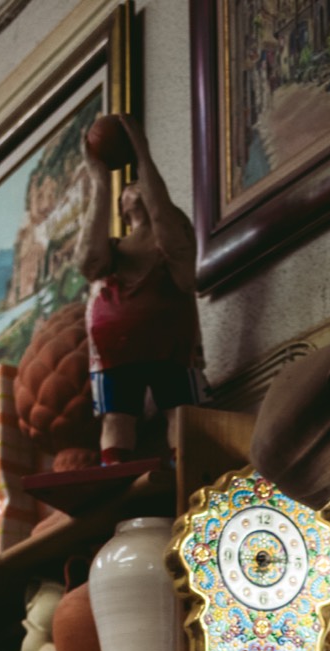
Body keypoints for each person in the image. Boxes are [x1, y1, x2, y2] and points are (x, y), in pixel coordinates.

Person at [78, 114, 204, 462]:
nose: (135, 187)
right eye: (129, 187)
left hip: (172, 345)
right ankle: (113, 474)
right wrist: (100, 180)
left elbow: (163, 217)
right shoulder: (112, 252)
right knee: (116, 418)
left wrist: (143, 155)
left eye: (141, 184)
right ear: (121, 208)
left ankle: (184, 467)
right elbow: (87, 260)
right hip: (113, 353)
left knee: (181, 412)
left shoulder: (174, 239)